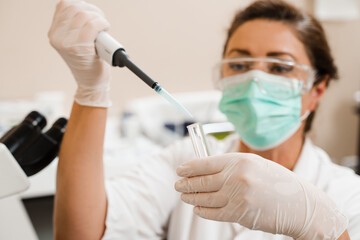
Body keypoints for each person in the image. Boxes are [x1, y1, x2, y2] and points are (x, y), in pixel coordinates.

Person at [49, 0, 360, 239]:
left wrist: (319, 225)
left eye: (279, 68)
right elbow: (81, 233)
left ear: (317, 89)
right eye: (239, 65)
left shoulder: (348, 193)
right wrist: (91, 90)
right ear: (222, 76)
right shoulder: (187, 162)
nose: (254, 82)